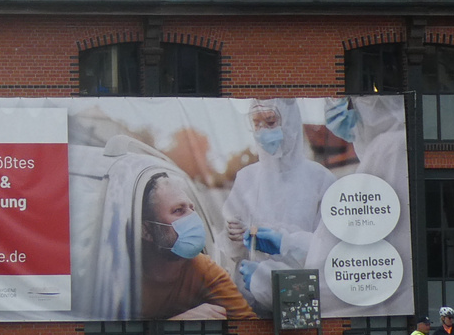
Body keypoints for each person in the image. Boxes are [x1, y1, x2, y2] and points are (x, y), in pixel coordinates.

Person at [223, 99, 336, 311]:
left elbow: (331, 252)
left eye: (271, 122)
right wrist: (233, 238)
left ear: (290, 123)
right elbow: (229, 249)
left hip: (302, 300)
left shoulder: (320, 179)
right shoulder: (247, 178)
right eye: (257, 123)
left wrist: (287, 244)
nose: (263, 130)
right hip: (250, 307)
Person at [141, 172, 256, 321]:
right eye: (178, 210)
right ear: (147, 231)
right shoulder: (122, 276)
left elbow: (252, 328)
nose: (193, 217)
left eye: (192, 208)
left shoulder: (203, 267)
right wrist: (174, 326)